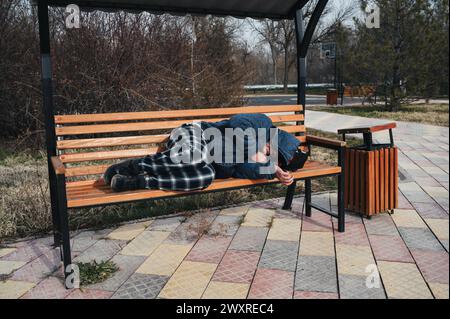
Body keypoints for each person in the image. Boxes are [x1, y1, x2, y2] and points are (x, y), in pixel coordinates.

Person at [103, 113, 308, 192]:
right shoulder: (263, 123)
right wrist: (255, 149)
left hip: (205, 163)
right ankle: (132, 166)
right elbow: (237, 122)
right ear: (275, 141)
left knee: (206, 177)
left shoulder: (263, 161)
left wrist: (273, 171)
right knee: (196, 155)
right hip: (195, 134)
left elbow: (244, 170)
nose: (270, 157)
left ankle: (137, 182)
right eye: (275, 154)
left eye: (277, 160)